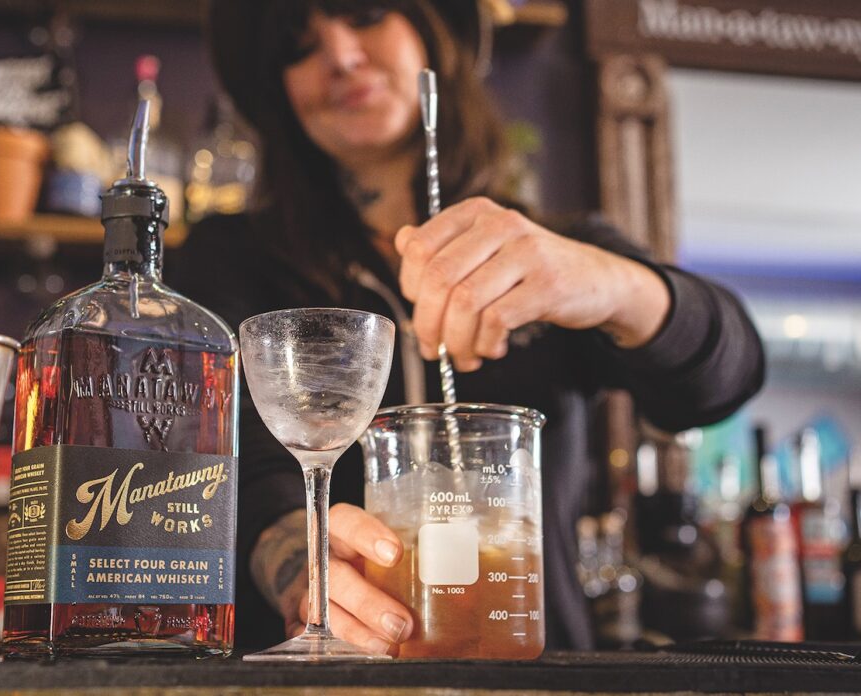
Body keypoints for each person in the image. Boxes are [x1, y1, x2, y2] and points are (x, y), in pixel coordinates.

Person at [169, 0, 764, 655]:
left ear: (431, 35)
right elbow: (241, 466)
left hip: (535, 663)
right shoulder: (232, 261)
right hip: (336, 672)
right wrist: (301, 572)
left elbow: (722, 380)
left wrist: (612, 285)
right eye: (297, 47)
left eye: (363, 15)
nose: (340, 56)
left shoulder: (552, 247)